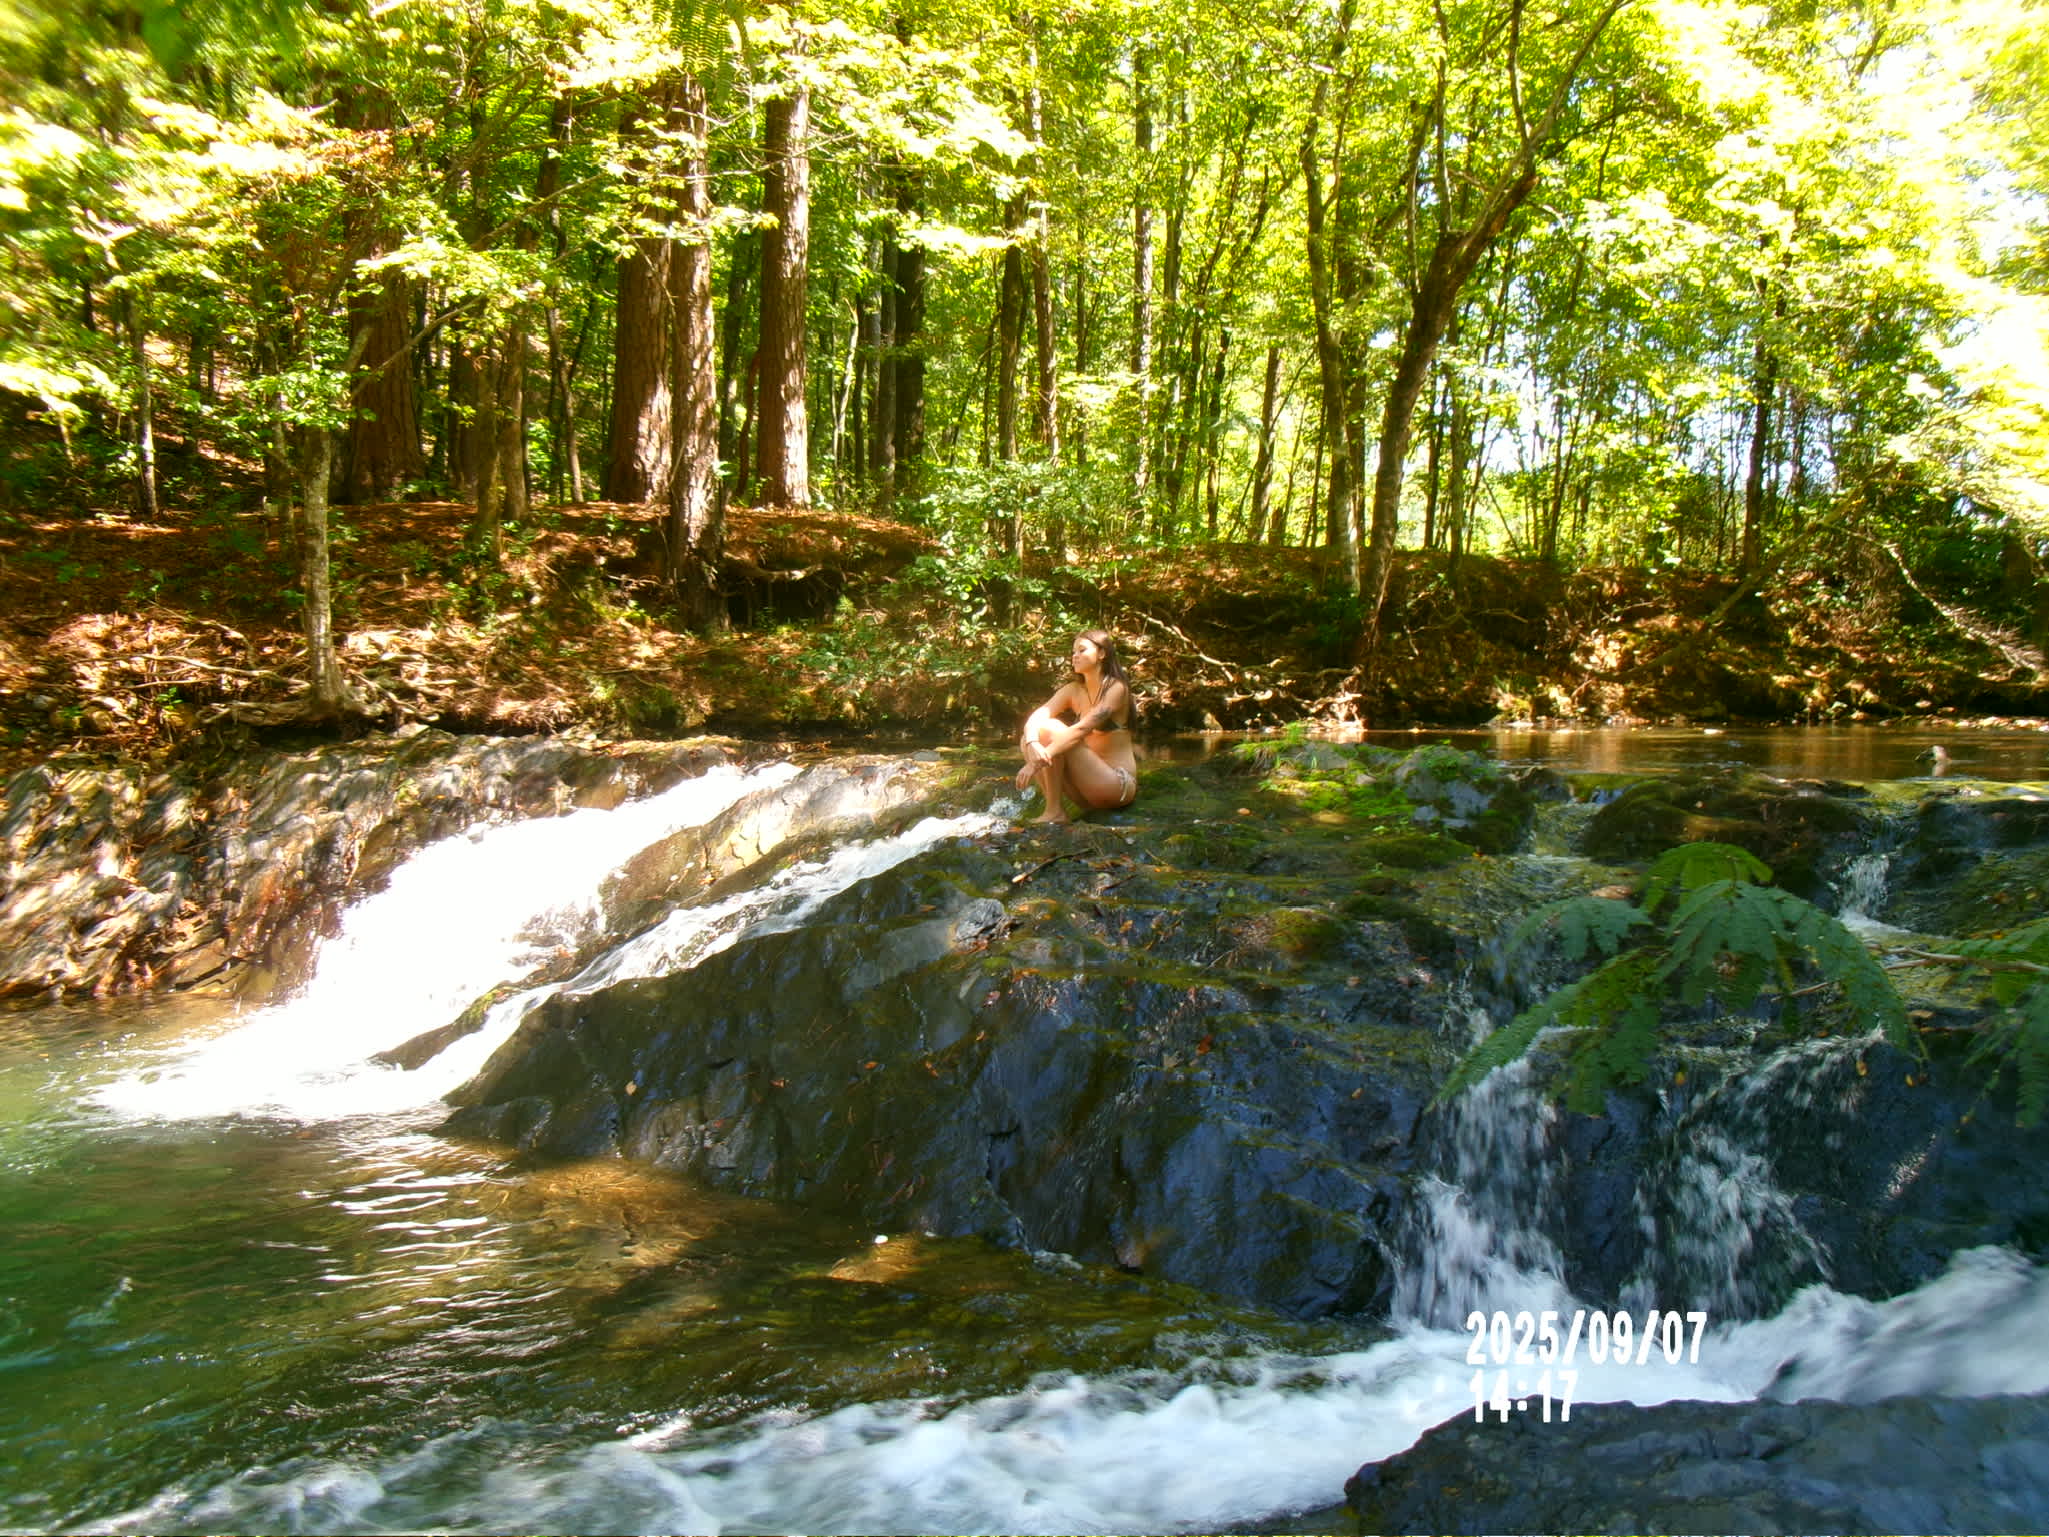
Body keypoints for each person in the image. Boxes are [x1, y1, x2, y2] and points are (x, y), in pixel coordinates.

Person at [1015, 629, 1138, 823]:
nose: (1075, 656)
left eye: (1082, 650)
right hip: (1086, 790)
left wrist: (1035, 763)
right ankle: (1054, 810)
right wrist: (1032, 742)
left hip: (1115, 785)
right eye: (1073, 652)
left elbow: (1082, 729)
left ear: (1102, 653)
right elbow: (1037, 716)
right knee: (1030, 736)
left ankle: (1054, 811)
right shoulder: (1073, 689)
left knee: (1051, 728)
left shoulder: (1116, 688)